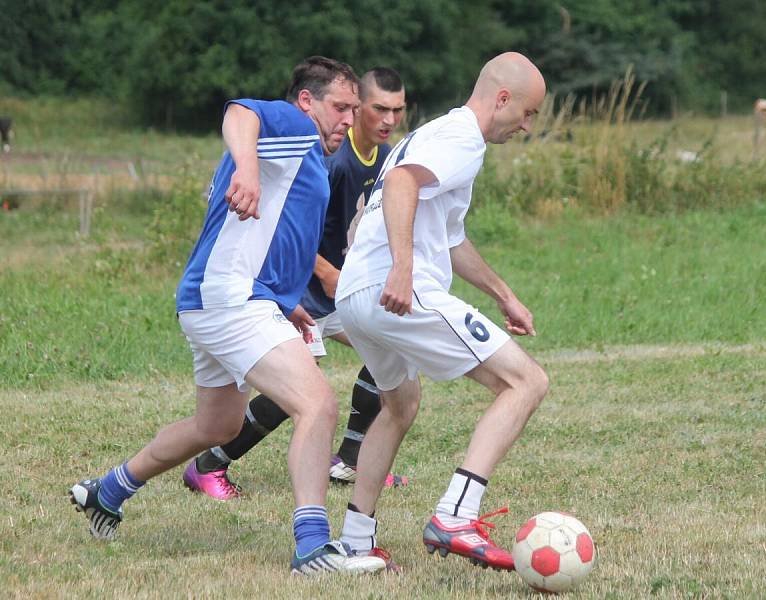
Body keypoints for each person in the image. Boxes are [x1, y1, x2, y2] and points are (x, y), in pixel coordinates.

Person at [69, 56, 387, 576]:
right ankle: (312, 547)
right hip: (231, 300)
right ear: (307, 102)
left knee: (217, 425)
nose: (349, 119)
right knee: (318, 407)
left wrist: (287, 303)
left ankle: (108, 490)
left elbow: (265, 237)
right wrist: (243, 166)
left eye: (355, 108)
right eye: (340, 106)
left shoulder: (301, 159)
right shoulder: (293, 130)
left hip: (218, 299)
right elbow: (240, 112)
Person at [333, 52, 549, 571]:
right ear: (502, 98)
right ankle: (456, 515)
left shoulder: (437, 135)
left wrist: (503, 294)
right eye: (527, 113)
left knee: (399, 405)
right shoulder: (460, 141)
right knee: (526, 382)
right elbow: (404, 184)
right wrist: (403, 269)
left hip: (356, 295)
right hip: (396, 291)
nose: (527, 125)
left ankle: (355, 540)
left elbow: (450, 238)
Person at [182, 68, 409, 500]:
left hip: (327, 292)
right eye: (377, 109)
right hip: (301, 290)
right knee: (306, 392)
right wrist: (325, 274)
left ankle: (352, 460)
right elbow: (291, 227)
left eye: (397, 110)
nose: (388, 120)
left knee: (382, 350)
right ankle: (212, 462)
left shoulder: (380, 157)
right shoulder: (327, 156)